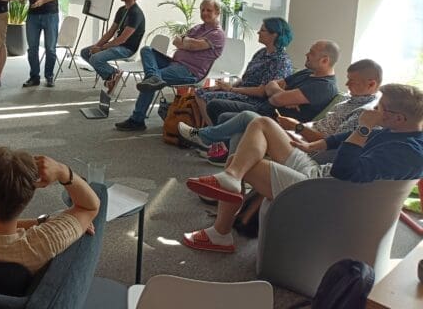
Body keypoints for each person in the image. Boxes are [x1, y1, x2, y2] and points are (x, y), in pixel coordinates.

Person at [181, 83, 423, 254]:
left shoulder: (407, 152)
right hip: (320, 173)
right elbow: (344, 138)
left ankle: (220, 233)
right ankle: (231, 179)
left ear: (399, 118)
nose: (373, 111)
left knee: (242, 162)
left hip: (325, 191)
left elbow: (344, 172)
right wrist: (314, 144)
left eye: (380, 108)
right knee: (262, 123)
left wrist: (363, 128)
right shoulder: (398, 132)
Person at [180, 58, 381, 165]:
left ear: (371, 83)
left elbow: (331, 143)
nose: (346, 84)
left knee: (252, 119)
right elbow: (274, 88)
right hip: (299, 133)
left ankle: (206, 138)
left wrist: (298, 127)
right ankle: (230, 182)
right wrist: (286, 96)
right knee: (244, 126)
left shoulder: (364, 113)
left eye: (352, 81)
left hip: (307, 145)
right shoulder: (348, 98)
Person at [0, 146, 100, 273]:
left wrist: (39, 221)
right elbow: (90, 206)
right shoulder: (41, 245)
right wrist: (62, 171)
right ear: (25, 201)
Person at [177, 40, 340, 154]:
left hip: (276, 121)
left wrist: (279, 94)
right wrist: (283, 94)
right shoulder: (308, 73)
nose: (307, 54)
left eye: (311, 53)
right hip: (264, 108)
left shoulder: (324, 86)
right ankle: (218, 148)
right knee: (218, 108)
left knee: (238, 116)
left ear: (325, 60)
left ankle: (203, 137)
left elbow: (275, 98)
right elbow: (271, 85)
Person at [115, 0, 225, 132]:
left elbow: (193, 45)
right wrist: (187, 42)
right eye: (202, 10)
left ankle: (137, 120)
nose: (205, 13)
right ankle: (153, 77)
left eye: (209, 10)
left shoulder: (217, 34)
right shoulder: (198, 28)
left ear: (217, 12)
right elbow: (176, 41)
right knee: (147, 50)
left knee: (150, 81)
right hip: (174, 63)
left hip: (189, 71)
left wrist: (186, 41)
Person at [195, 17, 294, 125]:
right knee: (200, 92)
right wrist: (227, 86)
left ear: (274, 35)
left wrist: (232, 89)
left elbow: (263, 92)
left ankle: (211, 134)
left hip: (256, 100)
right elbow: (245, 78)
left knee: (207, 97)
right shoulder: (262, 52)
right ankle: (209, 131)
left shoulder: (280, 61)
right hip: (242, 91)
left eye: (263, 30)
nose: (258, 32)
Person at [80, 0, 145, 93]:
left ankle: (113, 75)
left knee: (95, 58)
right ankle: (111, 77)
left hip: (126, 49)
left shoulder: (136, 13)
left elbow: (122, 39)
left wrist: (101, 49)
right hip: (117, 45)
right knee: (86, 52)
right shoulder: (122, 10)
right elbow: (110, 32)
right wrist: (97, 45)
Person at [20, 0, 63, 88]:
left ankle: (49, 76)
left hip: (50, 14)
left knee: (50, 48)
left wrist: (43, 0)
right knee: (32, 48)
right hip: (33, 15)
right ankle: (34, 77)